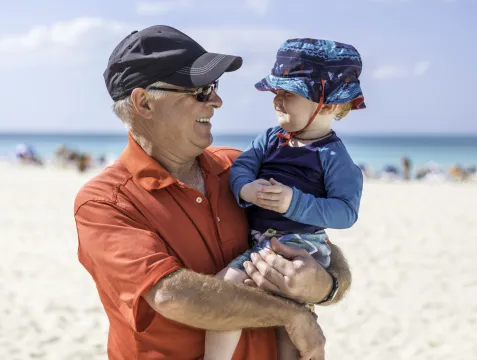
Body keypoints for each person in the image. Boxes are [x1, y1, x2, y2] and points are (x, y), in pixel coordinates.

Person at [74, 25, 352, 360]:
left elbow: (321, 245)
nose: (217, 101)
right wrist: (290, 314)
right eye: (201, 91)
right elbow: (172, 295)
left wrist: (326, 284)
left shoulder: (240, 169)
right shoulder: (104, 202)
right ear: (144, 102)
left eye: (214, 87)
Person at [204, 39, 365, 360]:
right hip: (262, 240)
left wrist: (294, 201)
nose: (277, 101)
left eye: (288, 94)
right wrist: (244, 189)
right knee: (286, 320)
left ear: (330, 105)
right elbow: (244, 165)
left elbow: (345, 212)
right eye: (275, 93)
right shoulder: (270, 138)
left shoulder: (333, 156)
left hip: (301, 244)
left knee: (226, 291)